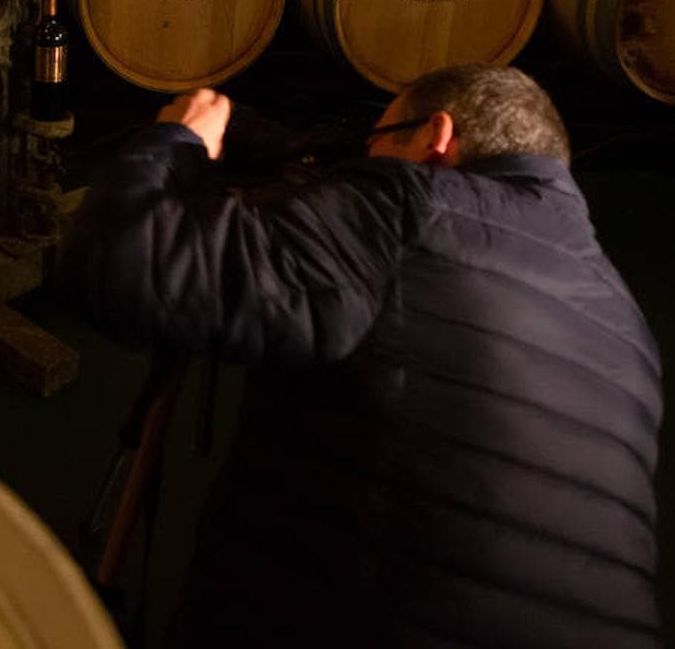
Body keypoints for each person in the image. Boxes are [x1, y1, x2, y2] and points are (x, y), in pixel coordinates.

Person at [57, 64, 663, 647]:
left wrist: (178, 139)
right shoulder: (626, 320)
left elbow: (124, 266)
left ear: (436, 136)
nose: (367, 163)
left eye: (379, 140)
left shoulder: (408, 206)